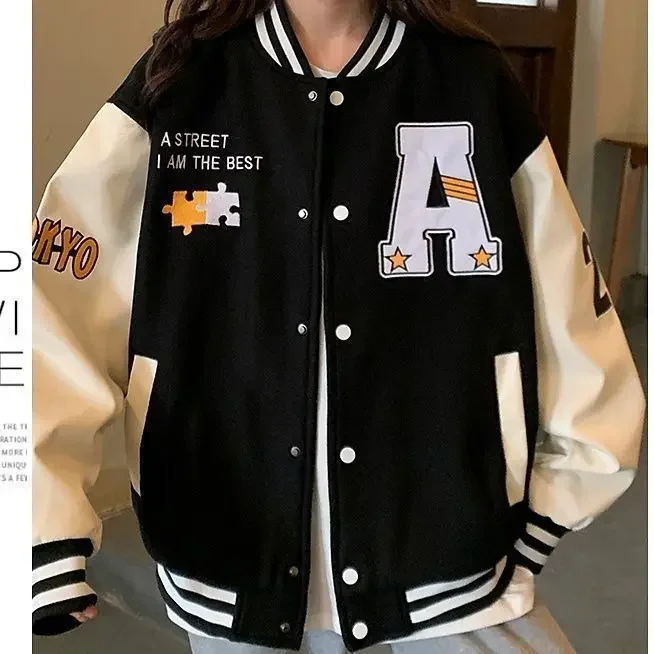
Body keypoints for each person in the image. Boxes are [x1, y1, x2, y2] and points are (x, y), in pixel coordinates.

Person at [32, 0, 645, 652]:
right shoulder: (180, 79)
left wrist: (563, 489)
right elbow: (60, 298)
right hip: (227, 547)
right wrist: (44, 523)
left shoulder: (471, 81)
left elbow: (568, 294)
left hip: (447, 551)